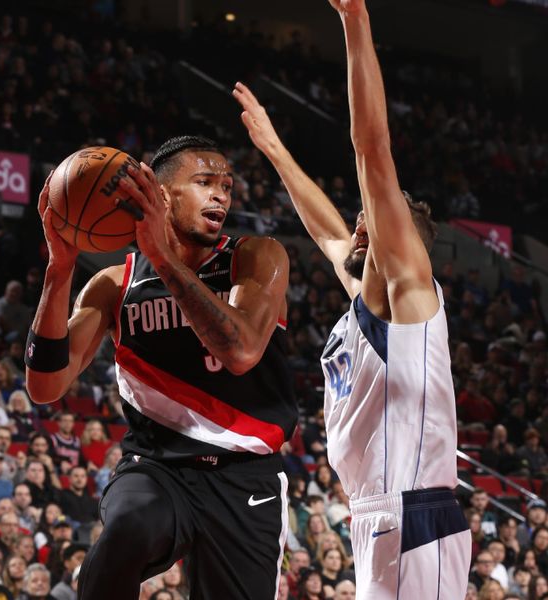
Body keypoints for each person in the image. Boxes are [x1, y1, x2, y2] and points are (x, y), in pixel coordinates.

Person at [232, 1, 470, 596]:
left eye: (372, 223)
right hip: (373, 517)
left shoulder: (408, 289)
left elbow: (372, 151)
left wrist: (355, 21)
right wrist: (274, 149)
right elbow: (326, 232)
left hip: (416, 514)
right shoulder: (369, 301)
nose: (357, 230)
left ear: (405, 243)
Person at [26, 134, 295, 599]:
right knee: (127, 530)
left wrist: (162, 256)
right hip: (157, 468)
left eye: (227, 186)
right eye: (205, 182)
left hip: (245, 475)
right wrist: (60, 268)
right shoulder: (115, 284)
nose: (221, 195)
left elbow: (242, 352)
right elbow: (46, 385)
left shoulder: (255, 257)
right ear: (161, 194)